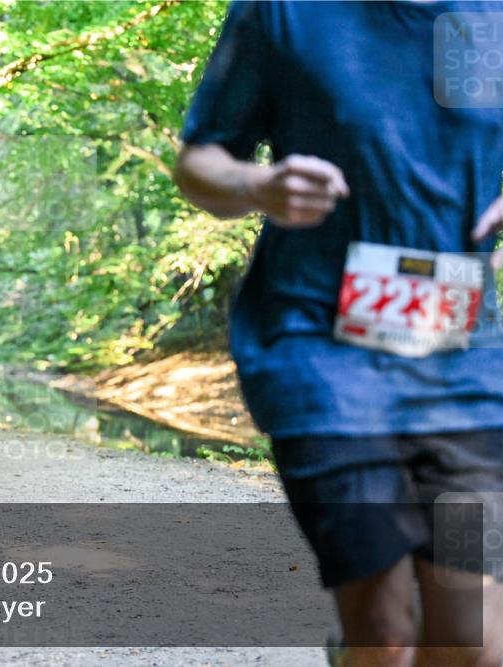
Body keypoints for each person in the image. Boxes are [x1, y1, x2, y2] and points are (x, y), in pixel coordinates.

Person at [174, 4, 502, 666]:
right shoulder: (285, 11)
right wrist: (257, 184)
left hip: (458, 365)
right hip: (321, 360)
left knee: (475, 637)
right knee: (384, 629)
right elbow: (200, 159)